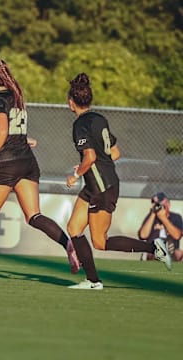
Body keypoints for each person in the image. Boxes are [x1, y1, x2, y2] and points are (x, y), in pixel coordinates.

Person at [0, 59, 80, 281]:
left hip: (7, 164)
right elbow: (12, 133)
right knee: (34, 215)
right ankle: (68, 243)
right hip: (27, 162)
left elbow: (3, 131)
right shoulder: (16, 97)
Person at [65, 73, 171, 290]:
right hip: (97, 183)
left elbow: (91, 156)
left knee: (100, 242)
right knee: (74, 228)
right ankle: (92, 280)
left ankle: (154, 247)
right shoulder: (99, 119)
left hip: (102, 186)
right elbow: (114, 152)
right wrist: (86, 167)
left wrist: (76, 174)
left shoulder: (80, 125)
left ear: (70, 102)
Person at [138, 192, 183, 261]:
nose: (157, 206)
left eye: (159, 204)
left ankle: (166, 253)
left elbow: (177, 236)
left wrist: (163, 218)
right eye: (155, 204)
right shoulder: (151, 217)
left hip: (171, 249)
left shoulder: (176, 217)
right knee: (152, 251)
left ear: (168, 204)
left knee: (179, 253)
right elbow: (143, 235)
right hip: (153, 248)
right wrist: (153, 214)